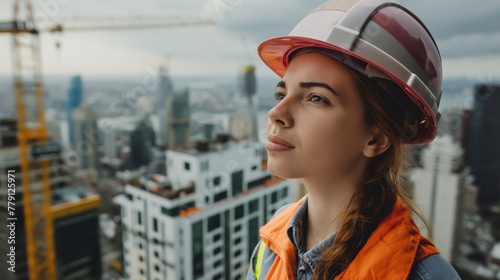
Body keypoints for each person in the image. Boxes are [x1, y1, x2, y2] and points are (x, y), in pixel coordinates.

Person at [246, 0, 462, 279]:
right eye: (281, 94)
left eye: (316, 98)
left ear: (376, 138)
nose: (277, 113)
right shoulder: (271, 243)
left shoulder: (424, 275)